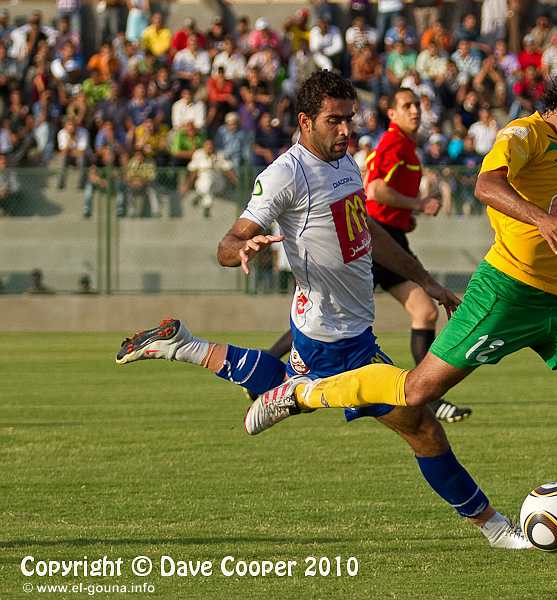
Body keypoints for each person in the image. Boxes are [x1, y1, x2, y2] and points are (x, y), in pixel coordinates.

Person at [244, 58, 557, 550]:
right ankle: (301, 394)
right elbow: (486, 184)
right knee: (416, 390)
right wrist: (539, 219)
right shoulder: (525, 134)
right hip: (508, 292)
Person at [115, 71, 528, 550]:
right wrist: (242, 249)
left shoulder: (345, 163)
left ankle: (186, 347)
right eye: (335, 120)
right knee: (419, 424)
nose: (346, 130)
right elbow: (228, 242)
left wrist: (425, 279)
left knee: (297, 392)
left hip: (353, 330)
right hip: (326, 333)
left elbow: (369, 235)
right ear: (306, 121)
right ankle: (494, 528)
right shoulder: (284, 174)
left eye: (350, 119)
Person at [363, 88, 472, 423]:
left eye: (417, 105)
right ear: (392, 113)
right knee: (329, 315)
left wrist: (405, 216)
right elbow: (375, 189)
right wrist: (418, 204)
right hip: (374, 238)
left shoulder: (407, 145)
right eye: (406, 106)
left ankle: (428, 395)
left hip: (389, 234)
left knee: (424, 312)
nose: (415, 111)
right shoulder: (394, 142)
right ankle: (266, 370)